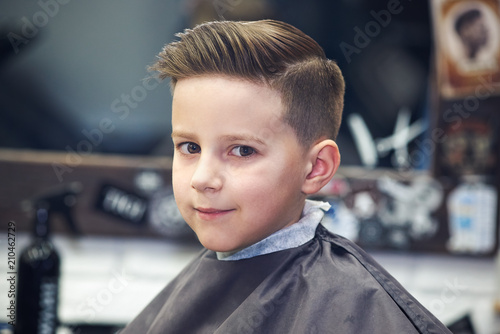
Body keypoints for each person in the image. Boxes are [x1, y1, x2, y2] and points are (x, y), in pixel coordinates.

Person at [120, 19, 451, 333]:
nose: (202, 179)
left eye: (242, 151)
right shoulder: (193, 286)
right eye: (190, 147)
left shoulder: (357, 309)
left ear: (316, 168)